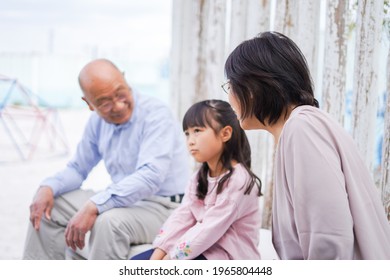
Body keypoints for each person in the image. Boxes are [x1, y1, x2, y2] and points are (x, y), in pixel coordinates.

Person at [223, 31, 390, 260]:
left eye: (231, 85)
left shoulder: (302, 128)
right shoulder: (301, 126)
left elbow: (329, 237)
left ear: (251, 87)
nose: (229, 96)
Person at [22, 58, 190, 260]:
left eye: (120, 93)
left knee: (108, 222)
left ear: (125, 79)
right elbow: (77, 169)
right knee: (51, 205)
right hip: (124, 202)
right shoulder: (97, 122)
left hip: (164, 207)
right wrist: (47, 188)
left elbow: (150, 177)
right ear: (89, 104)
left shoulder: (156, 114)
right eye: (104, 102)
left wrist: (95, 205)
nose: (118, 106)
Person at [131, 99, 262, 260]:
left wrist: (172, 258)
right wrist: (159, 253)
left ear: (225, 134)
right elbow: (182, 216)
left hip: (228, 257)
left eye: (197, 131)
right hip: (201, 250)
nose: (190, 141)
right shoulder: (199, 178)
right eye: (187, 133)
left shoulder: (239, 180)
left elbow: (209, 228)